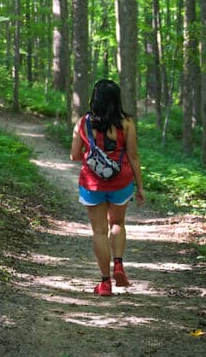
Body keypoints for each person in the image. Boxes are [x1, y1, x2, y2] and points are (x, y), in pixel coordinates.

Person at [70, 79, 146, 296]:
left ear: (96, 98)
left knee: (99, 231)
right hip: (121, 181)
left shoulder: (83, 122)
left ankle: (105, 283)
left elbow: (75, 156)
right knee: (118, 223)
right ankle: (119, 264)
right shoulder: (127, 123)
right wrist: (140, 187)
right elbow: (133, 156)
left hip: (92, 183)